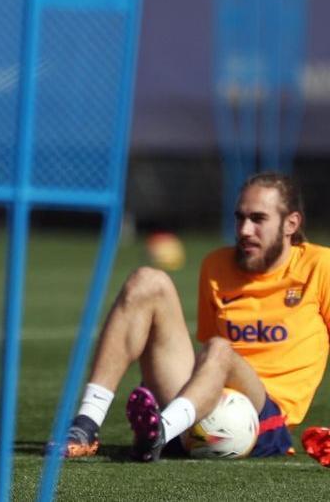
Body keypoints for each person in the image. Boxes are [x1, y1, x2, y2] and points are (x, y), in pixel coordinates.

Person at [55, 172, 329, 462]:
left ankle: (162, 430)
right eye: (239, 218)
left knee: (220, 349)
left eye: (258, 219)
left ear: (291, 224)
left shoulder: (320, 266)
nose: (245, 230)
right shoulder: (216, 265)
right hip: (201, 408)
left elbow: (216, 355)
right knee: (147, 280)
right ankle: (86, 426)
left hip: (264, 420)